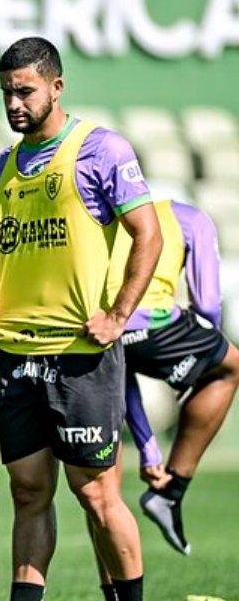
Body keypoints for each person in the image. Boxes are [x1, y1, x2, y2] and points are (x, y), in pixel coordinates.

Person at [0, 36, 161, 601]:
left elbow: (148, 234)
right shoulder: (7, 162)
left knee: (95, 492)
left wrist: (118, 315)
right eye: (6, 93)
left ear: (56, 86)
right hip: (17, 353)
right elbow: (10, 244)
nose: (13, 103)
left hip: (80, 356)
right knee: (27, 490)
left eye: (24, 91)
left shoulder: (101, 149)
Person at [111, 200, 238, 558]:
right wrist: (204, 349)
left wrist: (148, 447)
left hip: (98, 329)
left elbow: (120, 364)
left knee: (102, 486)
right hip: (152, 327)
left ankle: (114, 590)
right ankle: (171, 491)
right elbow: (208, 305)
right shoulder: (188, 217)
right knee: (230, 367)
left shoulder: (99, 218)